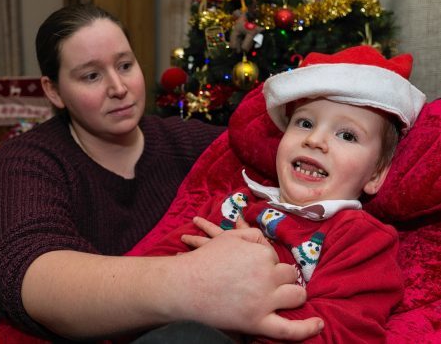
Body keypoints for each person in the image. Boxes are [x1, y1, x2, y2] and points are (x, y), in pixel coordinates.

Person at [0, 4, 323, 342]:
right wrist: (195, 282)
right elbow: (30, 276)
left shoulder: (194, 145)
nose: (118, 87)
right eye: (91, 75)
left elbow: (302, 160)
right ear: (53, 91)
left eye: (125, 65)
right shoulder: (29, 159)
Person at [130, 45, 427, 343]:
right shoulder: (235, 204)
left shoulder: (362, 239)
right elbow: (149, 275)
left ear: (375, 174)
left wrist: (242, 300)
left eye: (347, 135)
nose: (315, 140)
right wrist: (194, 276)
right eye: (305, 122)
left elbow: (339, 333)